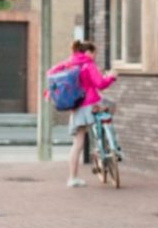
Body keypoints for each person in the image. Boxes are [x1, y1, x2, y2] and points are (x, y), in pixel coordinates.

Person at [47, 41, 115, 188]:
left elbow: (51, 73)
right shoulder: (88, 64)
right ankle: (108, 142)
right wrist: (111, 77)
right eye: (94, 53)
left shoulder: (69, 63)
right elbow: (100, 84)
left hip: (76, 107)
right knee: (111, 105)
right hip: (91, 104)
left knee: (77, 144)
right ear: (88, 52)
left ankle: (72, 178)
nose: (95, 56)